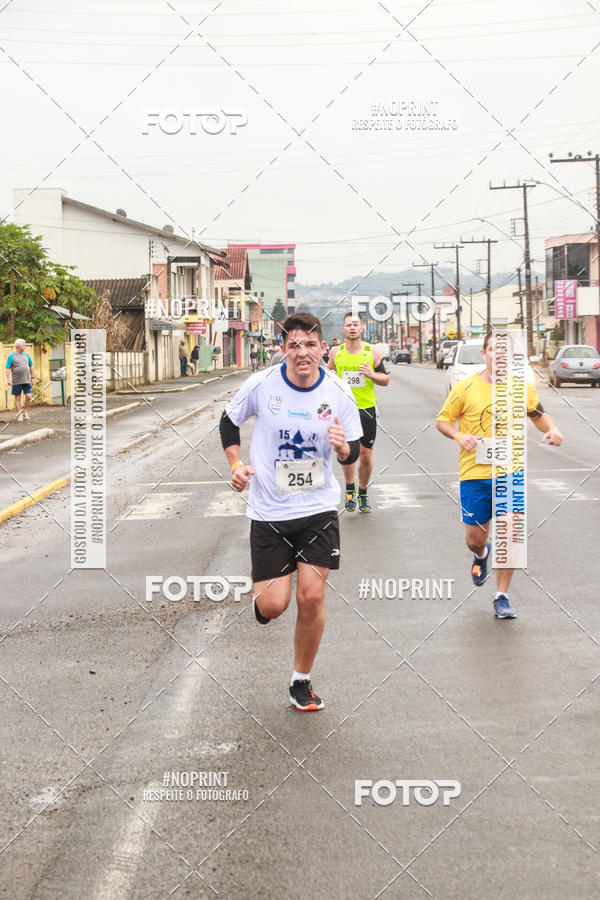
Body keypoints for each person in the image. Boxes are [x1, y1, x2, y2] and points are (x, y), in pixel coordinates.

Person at [220, 312, 362, 711]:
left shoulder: (337, 391)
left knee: (312, 598)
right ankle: (262, 604)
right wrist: (236, 466)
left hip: (318, 509)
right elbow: (228, 422)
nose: (302, 352)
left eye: (310, 344)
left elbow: (354, 444)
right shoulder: (262, 385)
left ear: (323, 349)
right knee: (273, 605)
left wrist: (342, 448)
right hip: (269, 511)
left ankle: (301, 680)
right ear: (283, 349)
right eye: (294, 345)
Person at [436, 330, 563, 619]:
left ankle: (501, 596)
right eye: (494, 350)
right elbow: (443, 421)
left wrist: (552, 429)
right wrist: (459, 437)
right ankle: (481, 554)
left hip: (510, 472)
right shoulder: (465, 388)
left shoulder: (521, 388)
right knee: (474, 539)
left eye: (505, 351)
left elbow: (538, 415)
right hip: (474, 473)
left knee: (510, 536)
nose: (500, 355)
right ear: (485, 354)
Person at [327, 312, 390, 513]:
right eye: (349, 324)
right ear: (343, 328)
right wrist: (332, 375)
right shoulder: (336, 352)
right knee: (348, 452)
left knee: (365, 454)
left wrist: (371, 374)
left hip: (366, 409)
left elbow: (385, 379)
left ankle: (362, 491)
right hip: (344, 410)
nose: (352, 327)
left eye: (356, 324)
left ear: (362, 328)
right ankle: (349, 487)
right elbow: (327, 373)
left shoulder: (372, 352)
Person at [5, 339, 34, 421]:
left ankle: (25, 412)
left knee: (29, 396)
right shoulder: (11, 356)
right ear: (18, 346)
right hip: (16, 381)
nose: (25, 346)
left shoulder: (26, 355)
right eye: (24, 344)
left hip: (27, 380)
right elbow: (7, 368)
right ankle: (19, 414)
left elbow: (31, 366)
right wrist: (9, 379)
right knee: (17, 398)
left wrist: (32, 377)